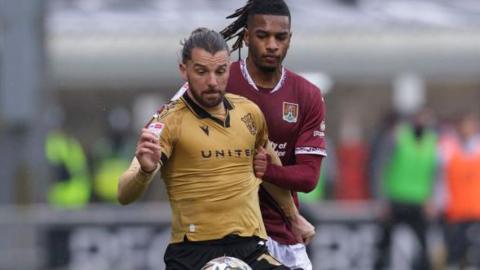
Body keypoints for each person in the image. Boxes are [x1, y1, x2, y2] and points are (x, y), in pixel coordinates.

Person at [118, 28, 313, 269]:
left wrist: (294, 218)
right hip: (193, 252)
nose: (212, 81)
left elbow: (269, 169)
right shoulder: (167, 121)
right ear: (184, 70)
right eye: (201, 71)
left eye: (220, 71)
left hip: (249, 247)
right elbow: (124, 194)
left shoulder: (249, 113)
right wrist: (145, 172)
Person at [220, 0, 326, 268]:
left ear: (290, 39)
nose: (272, 45)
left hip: (283, 236)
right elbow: (165, 121)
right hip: (226, 235)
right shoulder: (219, 83)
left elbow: (309, 176)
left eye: (280, 37)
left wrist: (266, 170)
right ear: (246, 36)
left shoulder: (307, 95)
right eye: (262, 35)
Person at [374, 109, 437, 270]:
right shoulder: (398, 137)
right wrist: (383, 200)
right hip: (396, 199)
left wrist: (431, 198)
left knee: (424, 249)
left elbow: (434, 173)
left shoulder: (432, 141)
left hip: (419, 201)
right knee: (384, 246)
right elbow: (382, 168)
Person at [438, 112, 480, 268]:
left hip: (476, 211)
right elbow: (438, 179)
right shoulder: (447, 149)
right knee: (454, 253)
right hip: (454, 211)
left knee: (475, 254)